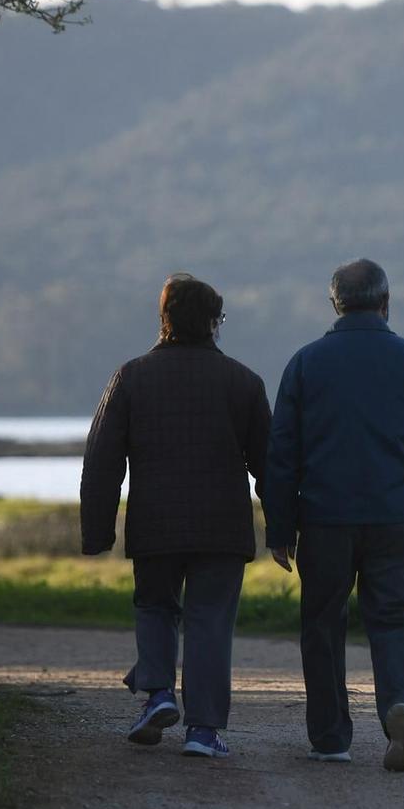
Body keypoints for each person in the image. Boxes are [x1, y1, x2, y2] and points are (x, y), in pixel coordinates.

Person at [264, 259, 404, 772]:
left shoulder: (305, 364)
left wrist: (281, 528)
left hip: (324, 519)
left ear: (334, 304)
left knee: (322, 623)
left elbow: (282, 454)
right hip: (395, 517)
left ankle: (331, 738)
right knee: (397, 616)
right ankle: (401, 703)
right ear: (386, 302)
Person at [81, 273, 272, 760]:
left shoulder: (130, 377)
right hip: (222, 529)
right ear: (212, 323)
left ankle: (159, 695)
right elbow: (270, 465)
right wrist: (285, 527)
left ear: (163, 320)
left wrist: (97, 530)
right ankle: (204, 732)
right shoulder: (244, 382)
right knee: (209, 622)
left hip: (155, 523)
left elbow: (103, 460)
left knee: (155, 607)